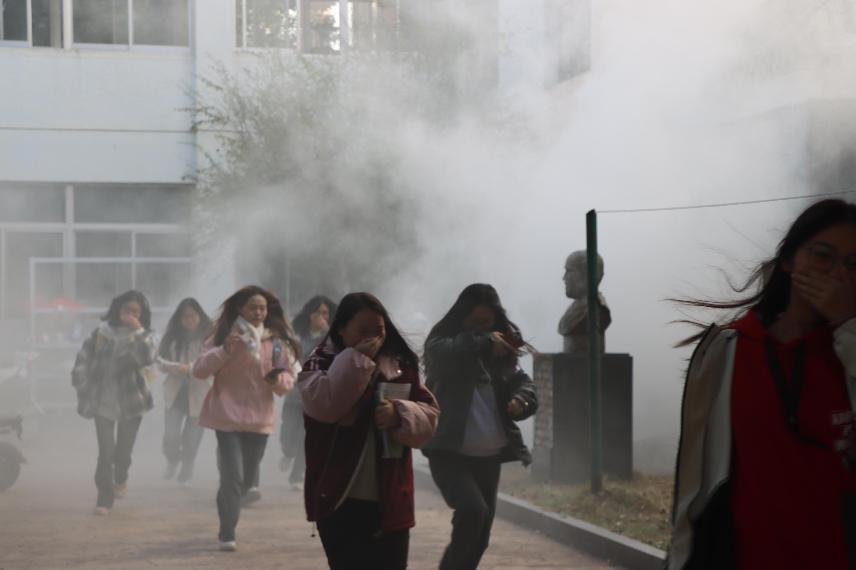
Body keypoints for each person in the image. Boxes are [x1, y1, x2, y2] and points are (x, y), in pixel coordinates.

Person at [669, 199, 856, 569]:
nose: (838, 275)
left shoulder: (848, 355)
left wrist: (848, 325)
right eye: (822, 256)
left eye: (854, 265)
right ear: (788, 261)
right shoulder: (727, 351)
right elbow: (694, 480)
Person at [299, 292, 439, 570]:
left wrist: (400, 413)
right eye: (362, 331)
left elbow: (430, 415)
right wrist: (357, 360)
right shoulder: (320, 363)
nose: (373, 338)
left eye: (379, 330)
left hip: (391, 498)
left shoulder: (399, 366)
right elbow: (327, 406)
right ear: (341, 328)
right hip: (338, 498)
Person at [423, 283, 538, 570]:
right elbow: (442, 352)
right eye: (475, 323)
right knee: (472, 510)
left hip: (489, 455)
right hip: (449, 451)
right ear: (461, 318)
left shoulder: (502, 352)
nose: (483, 329)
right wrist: (484, 341)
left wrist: (521, 400)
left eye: (487, 324)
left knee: (480, 536)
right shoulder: (443, 345)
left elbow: (523, 382)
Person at [192, 285, 300, 552]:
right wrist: (225, 350)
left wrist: (277, 381)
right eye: (253, 307)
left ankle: (234, 500)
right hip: (226, 416)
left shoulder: (276, 343)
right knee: (232, 477)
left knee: (248, 478)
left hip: (259, 419)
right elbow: (200, 370)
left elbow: (287, 379)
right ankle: (227, 532)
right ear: (240, 309)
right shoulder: (224, 336)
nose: (258, 312)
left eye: (262, 308)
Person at [71, 290, 156, 516]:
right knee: (105, 453)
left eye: (136, 312)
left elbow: (148, 357)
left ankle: (121, 478)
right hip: (103, 401)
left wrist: (138, 331)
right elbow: (82, 360)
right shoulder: (101, 333)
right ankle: (104, 498)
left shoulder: (144, 336)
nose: (130, 315)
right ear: (118, 310)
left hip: (132, 402)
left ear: (141, 315)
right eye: (127, 310)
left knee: (123, 454)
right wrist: (82, 385)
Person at [279, 295, 337, 491]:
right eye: (318, 312)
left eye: (326, 313)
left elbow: (334, 356)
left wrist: (327, 332)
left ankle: (297, 475)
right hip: (294, 392)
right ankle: (287, 453)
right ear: (310, 314)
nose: (322, 316)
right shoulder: (297, 335)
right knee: (288, 433)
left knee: (306, 435)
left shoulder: (331, 338)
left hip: (315, 393)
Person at [158, 298, 213, 485]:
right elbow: (160, 359)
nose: (189, 320)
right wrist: (166, 367)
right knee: (171, 435)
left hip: (200, 393)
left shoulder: (209, 338)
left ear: (199, 316)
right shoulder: (172, 338)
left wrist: (189, 368)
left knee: (192, 437)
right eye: (185, 317)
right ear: (179, 319)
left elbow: (212, 361)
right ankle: (172, 460)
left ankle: (187, 470)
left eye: (192, 316)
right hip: (176, 393)